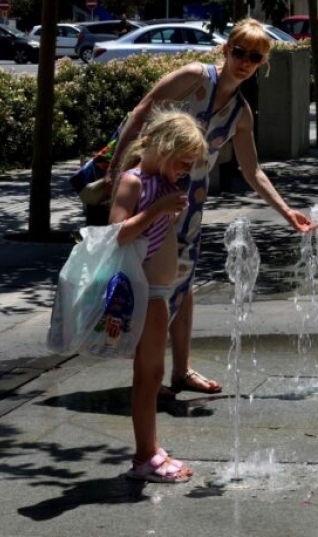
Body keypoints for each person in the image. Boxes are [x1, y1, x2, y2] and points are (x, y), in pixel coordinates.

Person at [106, 18, 315, 400]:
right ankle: (147, 374)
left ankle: (180, 371)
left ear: (263, 63)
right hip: (153, 194)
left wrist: (288, 213)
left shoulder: (241, 113)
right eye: (240, 52)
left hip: (190, 206)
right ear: (226, 49)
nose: (245, 62)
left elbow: (252, 171)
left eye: (255, 57)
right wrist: (116, 168)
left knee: (182, 286)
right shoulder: (193, 77)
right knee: (151, 283)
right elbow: (142, 112)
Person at [108, 109, 207, 483]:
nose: (186, 171)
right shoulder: (134, 183)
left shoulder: (164, 184)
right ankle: (144, 457)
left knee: (155, 374)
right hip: (144, 293)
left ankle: (150, 448)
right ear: (164, 148)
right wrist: (158, 210)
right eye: (183, 163)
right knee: (147, 375)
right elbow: (117, 233)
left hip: (159, 293)